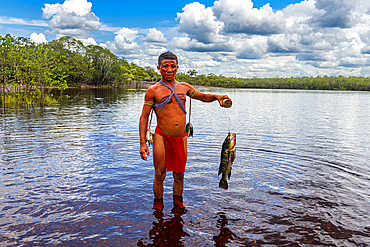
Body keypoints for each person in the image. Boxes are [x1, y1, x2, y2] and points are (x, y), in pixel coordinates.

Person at [139, 51, 232, 210]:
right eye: (165, 66)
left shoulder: (184, 87)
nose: (169, 69)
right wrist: (142, 143)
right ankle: (158, 203)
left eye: (172, 66)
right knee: (160, 174)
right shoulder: (153, 91)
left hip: (180, 137)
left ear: (177, 68)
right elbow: (144, 117)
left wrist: (217, 96)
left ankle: (177, 202)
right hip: (161, 136)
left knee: (179, 174)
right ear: (158, 68)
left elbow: (202, 97)